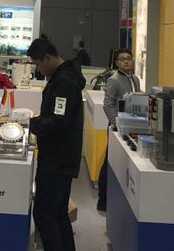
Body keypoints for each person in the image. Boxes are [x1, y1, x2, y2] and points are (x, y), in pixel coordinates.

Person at [27, 38, 85, 251]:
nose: (38, 69)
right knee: (59, 213)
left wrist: (31, 124)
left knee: (45, 215)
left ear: (47, 58)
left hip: (57, 161)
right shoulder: (63, 78)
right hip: (61, 158)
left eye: (38, 64)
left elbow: (58, 121)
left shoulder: (64, 82)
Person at [97, 48, 140, 211]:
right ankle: (103, 200)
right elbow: (107, 105)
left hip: (132, 126)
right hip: (117, 128)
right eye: (122, 59)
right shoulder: (114, 80)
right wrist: (116, 125)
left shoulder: (135, 79)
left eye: (129, 58)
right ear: (116, 63)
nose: (126, 61)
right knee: (109, 162)